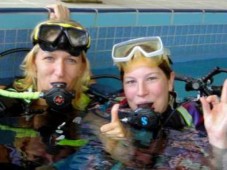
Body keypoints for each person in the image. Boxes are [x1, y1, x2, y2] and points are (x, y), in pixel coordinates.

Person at [97, 36, 227, 169]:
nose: (141, 92)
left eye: (151, 78)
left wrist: (218, 144)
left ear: (170, 81)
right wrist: (112, 151)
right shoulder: (110, 114)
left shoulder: (196, 117)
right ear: (123, 86)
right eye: (131, 82)